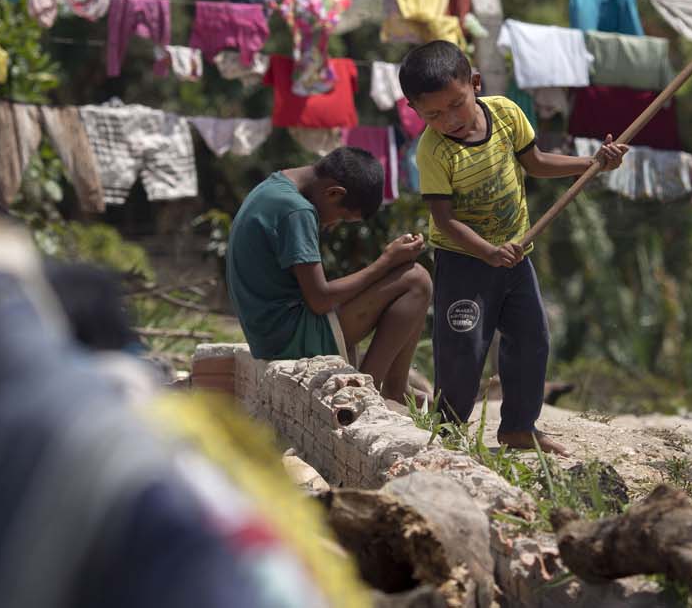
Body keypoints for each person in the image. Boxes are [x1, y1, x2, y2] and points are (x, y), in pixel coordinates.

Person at [400, 41, 627, 454]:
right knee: (463, 350)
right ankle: (448, 433)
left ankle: (519, 427)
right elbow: (445, 220)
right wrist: (487, 251)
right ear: (416, 111)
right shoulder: (433, 151)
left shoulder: (505, 113)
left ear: (475, 83)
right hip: (464, 261)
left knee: (532, 337)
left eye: (456, 104)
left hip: (516, 256)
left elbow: (536, 162)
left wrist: (592, 163)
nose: (449, 119)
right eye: (433, 114)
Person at [226, 146, 431, 404]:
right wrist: (386, 261)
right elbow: (320, 299)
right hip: (287, 337)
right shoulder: (297, 210)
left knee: (405, 277)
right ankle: (365, 393)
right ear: (334, 193)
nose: (333, 225)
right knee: (416, 280)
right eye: (343, 217)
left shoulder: (275, 185)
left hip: (270, 332)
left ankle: (396, 388)